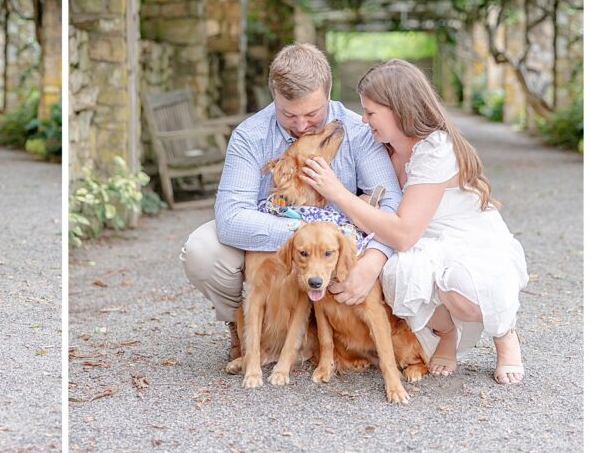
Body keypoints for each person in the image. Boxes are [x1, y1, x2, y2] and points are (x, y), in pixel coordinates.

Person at [301, 59, 528, 385]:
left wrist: (338, 192)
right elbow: (384, 212)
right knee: (398, 273)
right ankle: (445, 333)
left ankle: (505, 336)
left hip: (462, 237)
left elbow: (404, 233)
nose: (364, 120)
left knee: (465, 289)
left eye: (370, 112)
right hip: (421, 238)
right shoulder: (382, 145)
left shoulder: (435, 148)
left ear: (398, 110)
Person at [181, 43, 403, 361]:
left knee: (400, 254)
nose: (300, 127)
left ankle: (351, 337)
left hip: (342, 253)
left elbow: (392, 204)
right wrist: (307, 236)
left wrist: (374, 260)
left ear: (329, 94)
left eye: (312, 114)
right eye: (288, 114)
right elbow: (230, 218)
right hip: (279, 246)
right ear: (274, 98)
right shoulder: (250, 135)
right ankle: (244, 327)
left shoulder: (357, 131)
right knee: (202, 250)